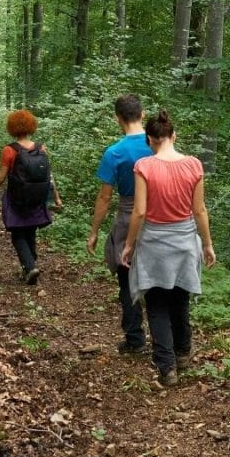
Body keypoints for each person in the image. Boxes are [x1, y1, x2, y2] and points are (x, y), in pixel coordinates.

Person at [120, 110, 215, 386]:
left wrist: (129, 245)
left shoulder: (144, 166)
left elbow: (139, 211)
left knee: (157, 303)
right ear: (174, 136)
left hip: (154, 244)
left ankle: (166, 367)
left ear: (150, 140)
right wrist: (207, 244)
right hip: (185, 241)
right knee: (180, 298)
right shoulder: (194, 165)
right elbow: (199, 210)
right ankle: (183, 353)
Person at [87, 94, 153, 354]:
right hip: (159, 217)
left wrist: (94, 231)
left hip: (128, 216)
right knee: (158, 280)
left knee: (128, 279)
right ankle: (165, 340)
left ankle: (135, 339)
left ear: (118, 119)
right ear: (142, 114)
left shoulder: (114, 152)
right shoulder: (158, 144)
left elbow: (105, 197)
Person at [0, 109, 62, 284]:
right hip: (37, 197)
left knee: (17, 233)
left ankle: (30, 267)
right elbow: (49, 176)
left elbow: (1, 177)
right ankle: (29, 268)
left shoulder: (9, 150)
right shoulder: (41, 148)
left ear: (12, 128)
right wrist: (56, 197)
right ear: (31, 126)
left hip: (16, 198)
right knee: (30, 231)